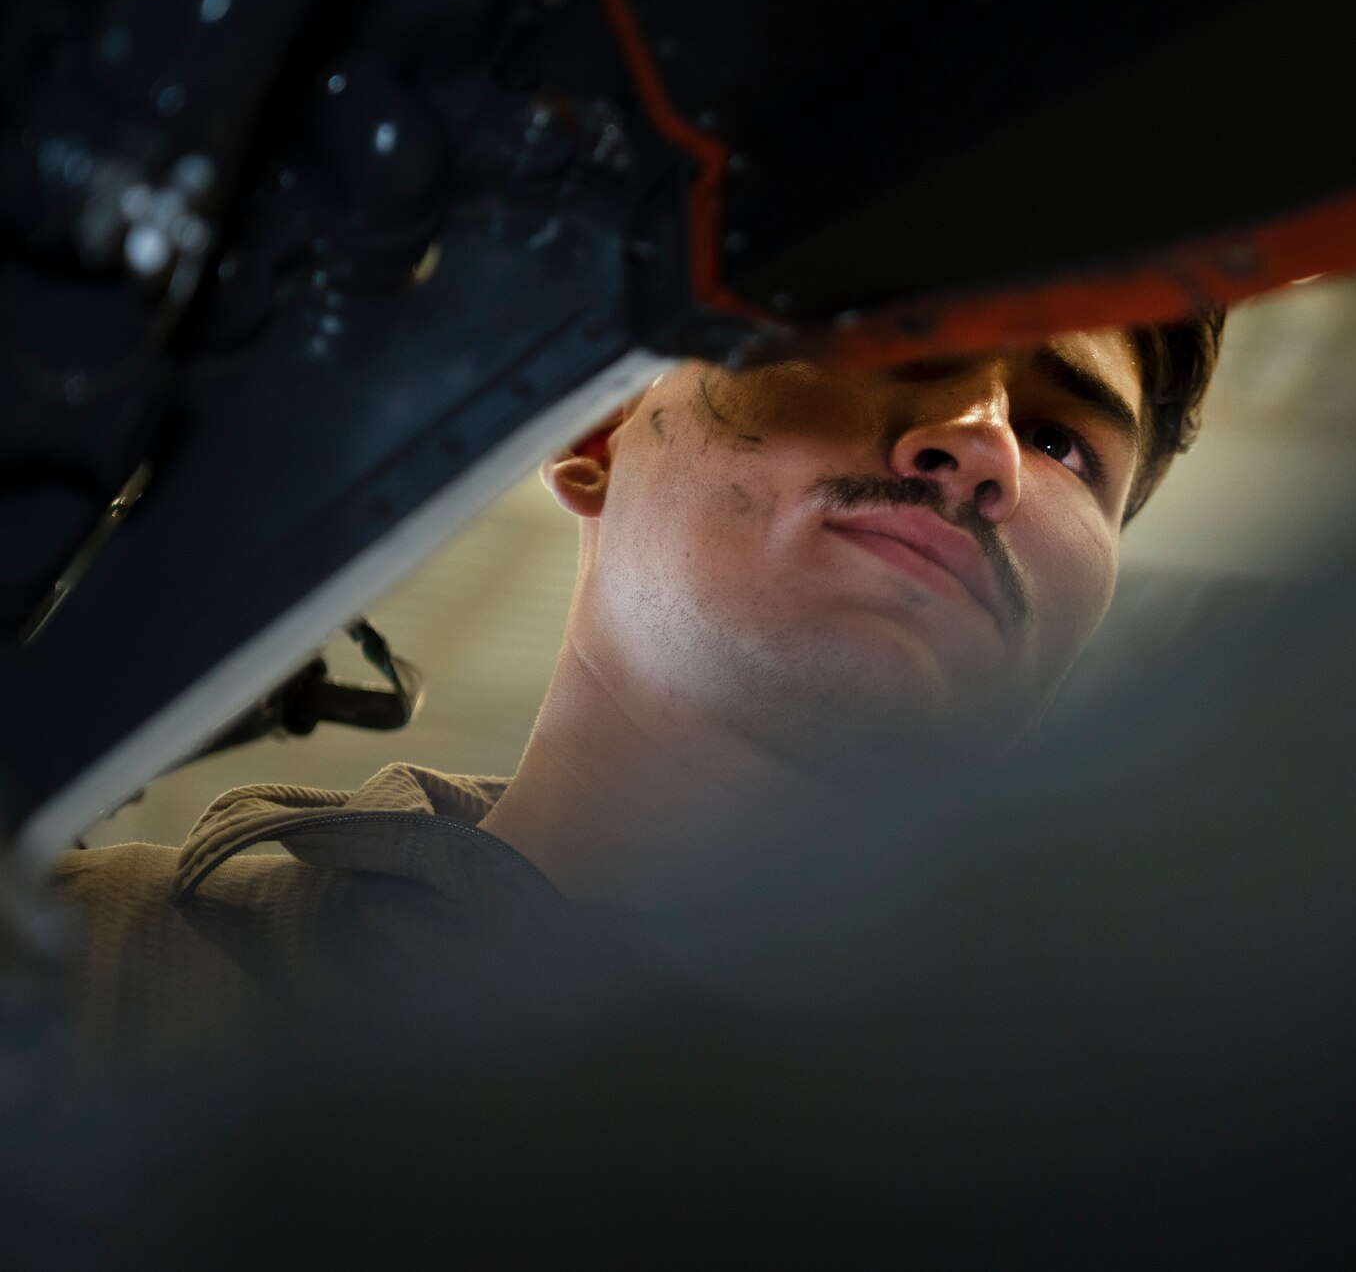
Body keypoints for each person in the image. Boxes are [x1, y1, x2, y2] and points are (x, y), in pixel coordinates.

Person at [45, 312, 1224, 1069]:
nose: (979, 442)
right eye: (884, 336)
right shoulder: (75, 973)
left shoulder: (1162, 1159)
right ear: (598, 429)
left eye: (1068, 444)